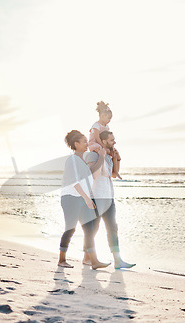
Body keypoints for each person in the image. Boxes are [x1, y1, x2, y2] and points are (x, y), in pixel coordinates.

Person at [58, 130, 110, 270]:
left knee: (89, 229)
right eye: (84, 142)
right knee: (70, 228)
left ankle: (93, 261)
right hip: (71, 199)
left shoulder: (82, 160)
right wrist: (87, 199)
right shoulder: (72, 160)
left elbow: (93, 176)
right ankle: (62, 259)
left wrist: (101, 157)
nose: (87, 144)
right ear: (76, 144)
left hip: (82, 198)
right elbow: (74, 182)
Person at [84, 130, 135, 269]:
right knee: (92, 230)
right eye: (112, 140)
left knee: (112, 229)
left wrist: (116, 159)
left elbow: (113, 174)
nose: (114, 142)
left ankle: (118, 261)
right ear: (104, 141)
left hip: (109, 198)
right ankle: (91, 260)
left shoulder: (107, 156)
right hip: (96, 197)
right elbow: (93, 174)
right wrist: (101, 156)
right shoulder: (93, 155)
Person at [88, 101, 122, 180]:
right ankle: (102, 158)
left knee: (114, 151)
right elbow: (97, 138)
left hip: (103, 143)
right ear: (102, 116)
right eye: (108, 118)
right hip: (95, 143)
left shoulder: (107, 126)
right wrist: (103, 146)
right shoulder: (96, 125)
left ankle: (115, 170)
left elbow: (107, 137)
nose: (109, 120)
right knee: (101, 150)